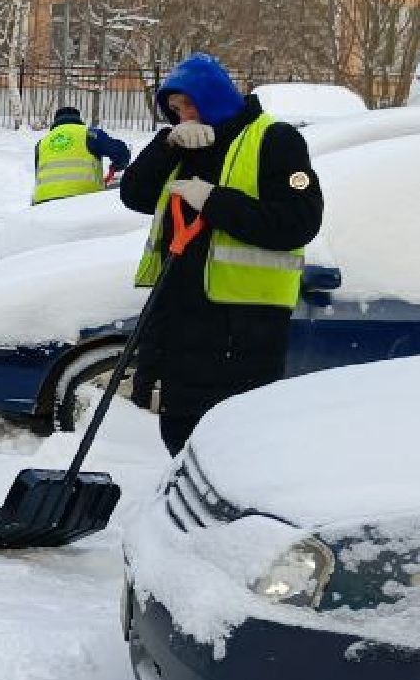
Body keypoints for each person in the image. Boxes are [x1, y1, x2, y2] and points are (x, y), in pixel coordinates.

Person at [118, 53, 324, 454]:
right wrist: (166, 145)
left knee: (228, 445)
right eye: (175, 110)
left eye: (189, 104)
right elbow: (135, 195)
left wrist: (215, 202)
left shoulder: (274, 140)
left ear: (214, 97)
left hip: (242, 331)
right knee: (177, 433)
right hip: (178, 318)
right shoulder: (183, 144)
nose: (184, 116)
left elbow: (299, 222)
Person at [31, 106, 132, 204]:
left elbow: (39, 174)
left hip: (43, 203)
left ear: (55, 121)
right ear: (78, 119)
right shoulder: (90, 134)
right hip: (83, 199)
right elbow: (121, 152)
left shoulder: (42, 143)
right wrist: (115, 167)